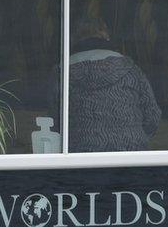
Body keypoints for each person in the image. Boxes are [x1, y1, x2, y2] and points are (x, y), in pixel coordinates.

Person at [63, 17, 161, 152]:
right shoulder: (131, 70)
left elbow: (55, 120)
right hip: (131, 152)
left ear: (73, 39)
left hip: (82, 153)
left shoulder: (62, 73)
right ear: (106, 36)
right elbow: (152, 116)